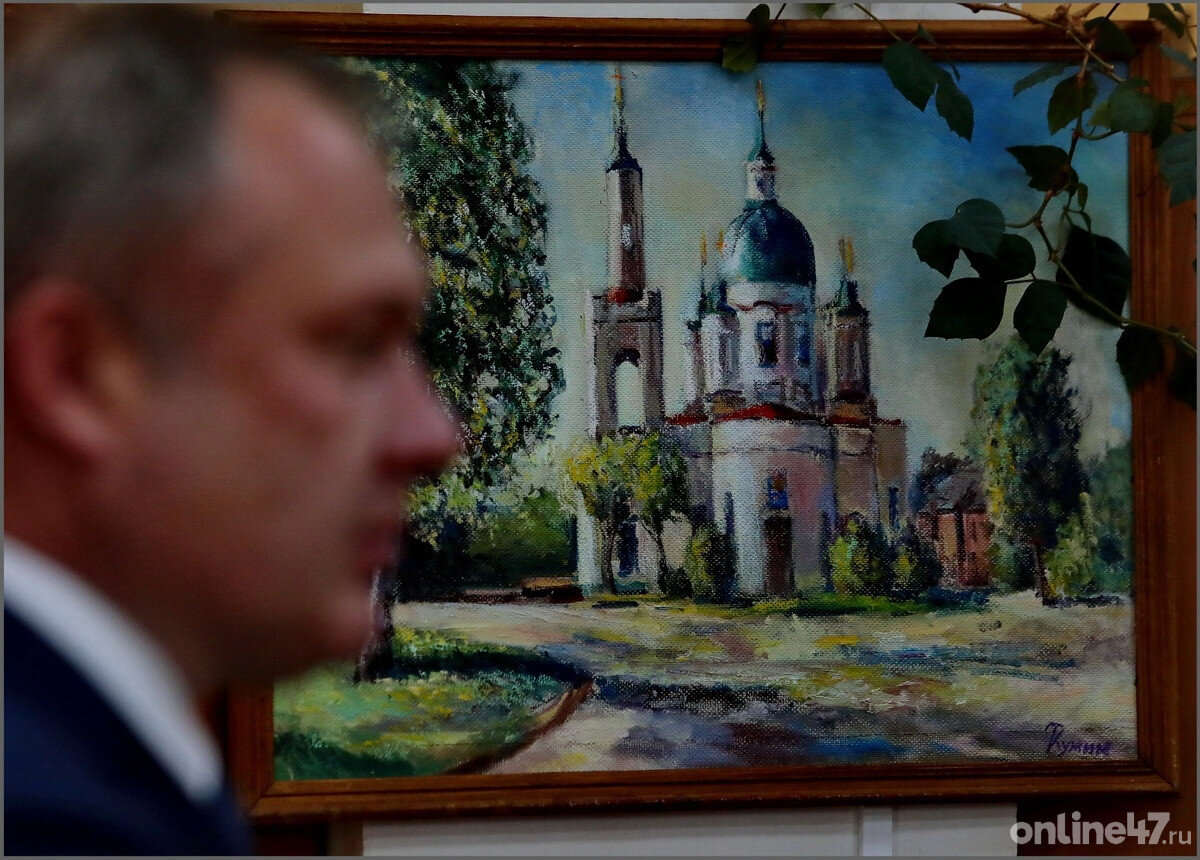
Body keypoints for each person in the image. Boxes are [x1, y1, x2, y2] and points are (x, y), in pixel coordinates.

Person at [4, 6, 460, 854]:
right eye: (354, 344)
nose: (433, 436)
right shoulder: (52, 822)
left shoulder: (101, 780)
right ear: (75, 375)